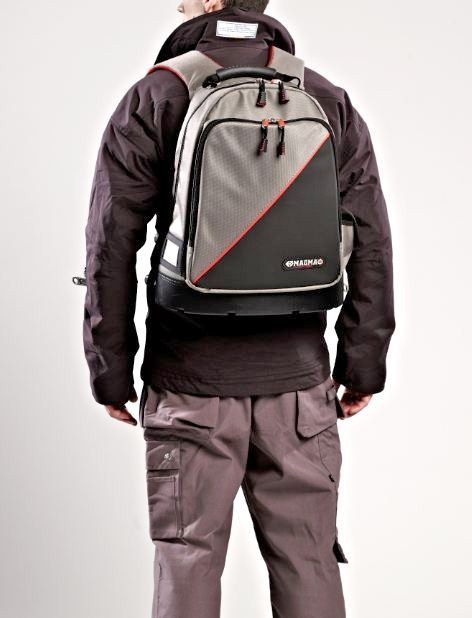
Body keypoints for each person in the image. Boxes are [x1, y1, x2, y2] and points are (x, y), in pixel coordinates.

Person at [82, 1, 395, 616]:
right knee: (309, 561)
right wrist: (363, 364)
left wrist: (110, 370)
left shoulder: (156, 96)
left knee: (188, 560)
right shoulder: (323, 96)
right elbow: (371, 240)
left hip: (188, 385)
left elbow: (110, 244)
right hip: (299, 388)